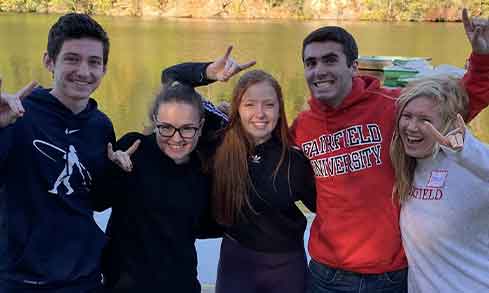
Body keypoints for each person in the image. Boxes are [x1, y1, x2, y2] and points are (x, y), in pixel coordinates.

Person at [290, 8, 489, 292]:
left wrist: (482, 60)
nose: (319, 70)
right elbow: (263, 144)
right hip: (327, 275)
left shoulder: (393, 108)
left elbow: (457, 108)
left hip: (390, 277)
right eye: (310, 63)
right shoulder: (302, 126)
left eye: (330, 60)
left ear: (353, 66)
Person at [162, 51, 316, 293]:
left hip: (286, 264)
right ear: (237, 107)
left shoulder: (295, 158)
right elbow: (171, 79)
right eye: (250, 104)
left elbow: (325, 206)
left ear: (279, 109)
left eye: (269, 105)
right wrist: (209, 72)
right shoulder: (218, 135)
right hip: (237, 260)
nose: (260, 113)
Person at [0, 13, 114, 292]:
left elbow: (95, 200)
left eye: (94, 62)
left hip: (83, 280)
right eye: (72, 59)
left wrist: (118, 174)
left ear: (104, 69)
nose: (84, 71)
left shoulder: (101, 126)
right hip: (21, 279)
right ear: (49, 61)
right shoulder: (17, 115)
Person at [98, 82, 217, 292]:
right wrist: (113, 171)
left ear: (201, 125)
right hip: (124, 286)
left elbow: (208, 226)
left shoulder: (203, 168)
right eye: (166, 128)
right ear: (155, 121)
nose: (176, 138)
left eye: (188, 128)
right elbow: (98, 201)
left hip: (181, 284)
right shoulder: (134, 149)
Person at [390, 76, 489, 292]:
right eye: (407, 116)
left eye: (425, 120)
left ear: (449, 124)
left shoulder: (473, 166)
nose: (412, 127)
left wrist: (466, 150)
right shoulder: (409, 168)